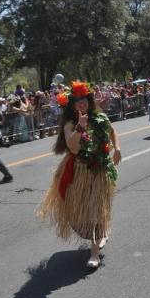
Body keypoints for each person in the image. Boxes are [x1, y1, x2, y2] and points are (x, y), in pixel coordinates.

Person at [37, 81, 122, 269]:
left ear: (89, 100)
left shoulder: (100, 118)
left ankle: (94, 253)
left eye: (84, 99)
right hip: (79, 171)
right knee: (82, 212)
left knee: (97, 208)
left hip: (100, 169)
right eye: (77, 100)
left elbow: (112, 130)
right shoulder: (70, 124)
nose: (81, 102)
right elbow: (73, 148)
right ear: (73, 104)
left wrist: (117, 148)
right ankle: (100, 233)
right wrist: (80, 128)